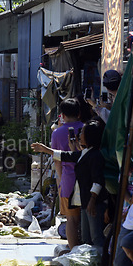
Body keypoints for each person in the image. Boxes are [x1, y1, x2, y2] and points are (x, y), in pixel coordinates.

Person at [32, 119, 108, 251]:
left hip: (92, 203)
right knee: (86, 237)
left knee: (96, 237)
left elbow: (98, 180)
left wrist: (92, 200)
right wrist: (45, 149)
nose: (79, 135)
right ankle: (89, 264)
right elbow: (66, 155)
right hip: (85, 201)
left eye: (82, 132)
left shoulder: (95, 156)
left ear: (89, 136)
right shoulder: (85, 153)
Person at [51, 98, 84, 249]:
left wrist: (60, 180)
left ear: (62, 115)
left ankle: (73, 252)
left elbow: (57, 160)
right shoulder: (86, 128)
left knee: (71, 219)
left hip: (68, 180)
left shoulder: (57, 133)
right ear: (79, 113)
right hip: (87, 179)